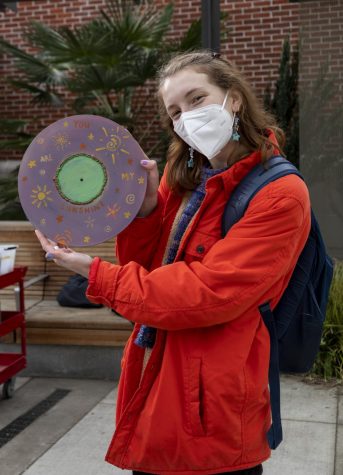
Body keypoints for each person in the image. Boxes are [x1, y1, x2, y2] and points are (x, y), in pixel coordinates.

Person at [35, 50, 311, 475]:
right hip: (155, 372)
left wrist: (92, 271)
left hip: (213, 402)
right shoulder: (183, 170)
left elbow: (205, 294)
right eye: (175, 111)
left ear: (234, 99)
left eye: (197, 99)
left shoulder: (281, 194)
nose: (187, 117)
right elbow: (149, 269)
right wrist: (146, 212)